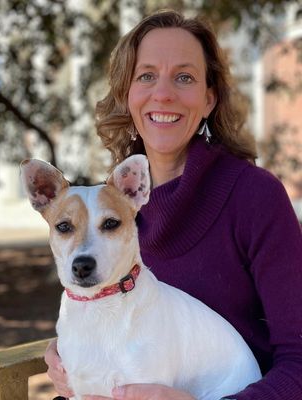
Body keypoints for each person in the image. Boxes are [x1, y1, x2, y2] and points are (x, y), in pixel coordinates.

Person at [45, 9, 302, 400]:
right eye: (146, 75)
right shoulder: (105, 201)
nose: (163, 93)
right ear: (127, 94)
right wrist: (75, 360)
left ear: (209, 99)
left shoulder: (255, 197)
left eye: (184, 77)